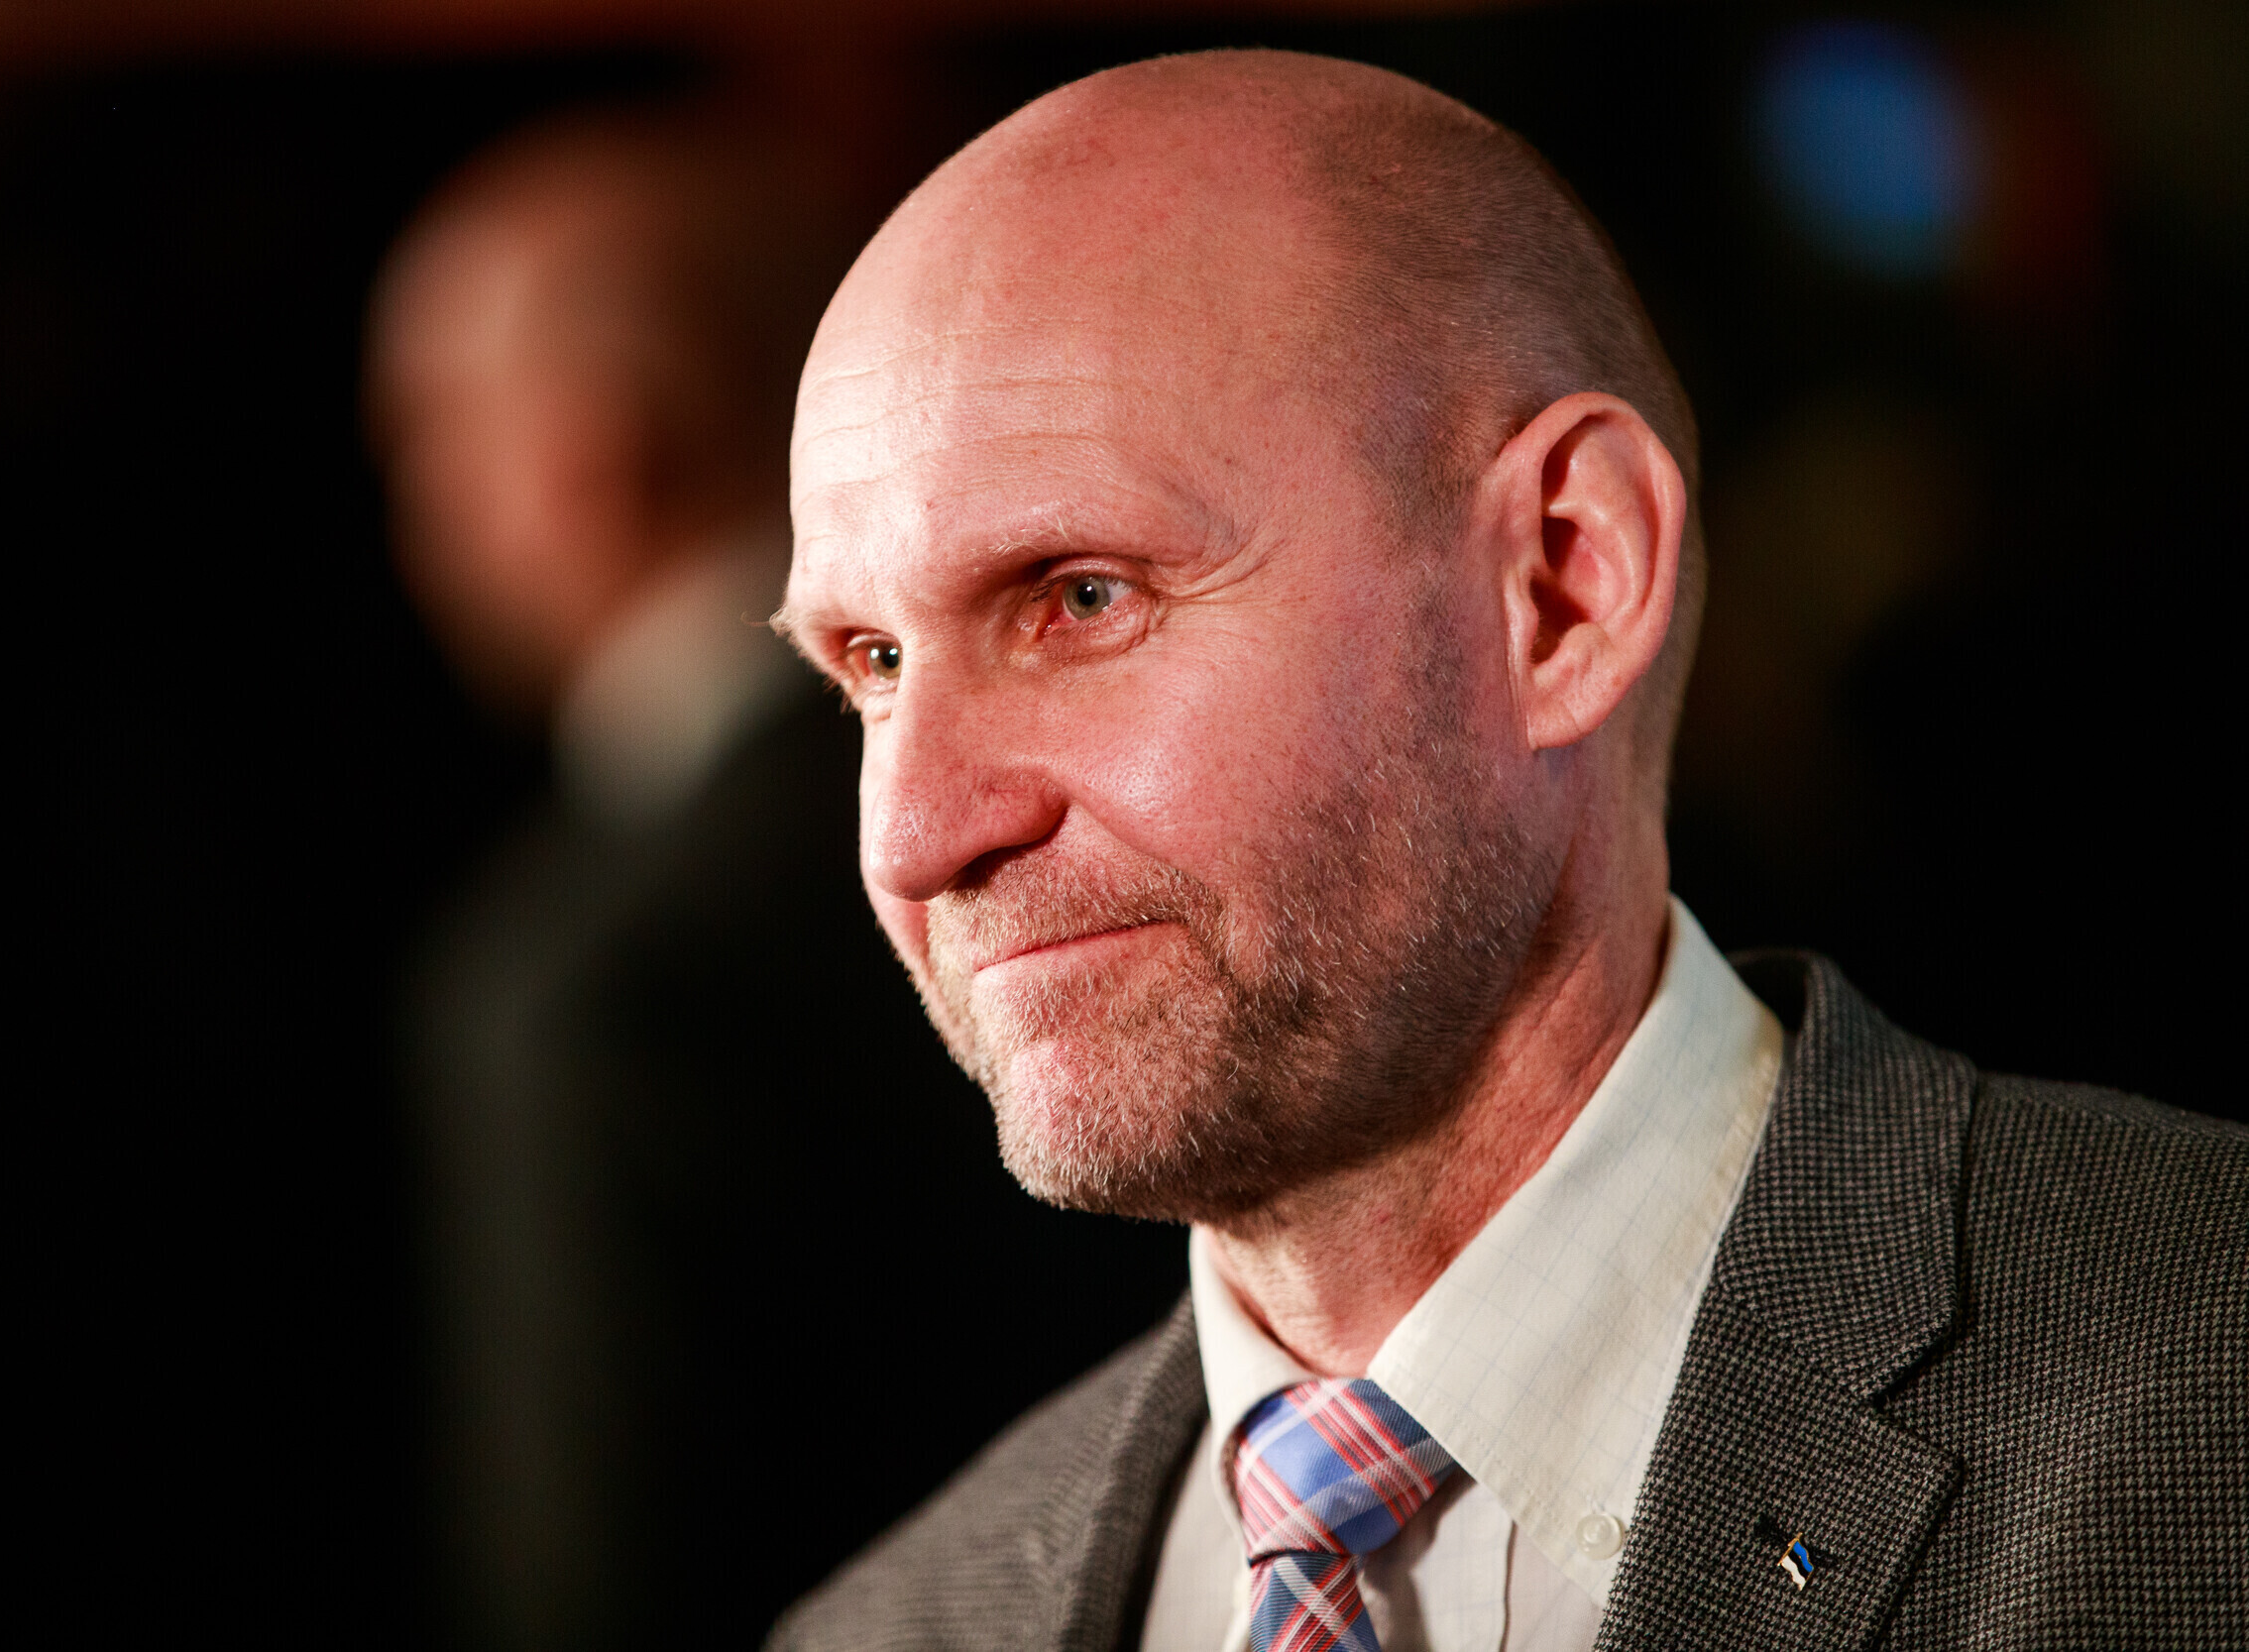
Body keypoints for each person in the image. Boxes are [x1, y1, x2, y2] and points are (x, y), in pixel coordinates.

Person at [766, 51, 2249, 1652]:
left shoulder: (2205, 1415)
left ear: (1563, 586)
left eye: (1081, 598)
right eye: (873, 664)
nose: (916, 836)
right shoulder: (886, 1630)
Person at [367, 103, 1184, 1651]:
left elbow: (596, 1590)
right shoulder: (1124, 820)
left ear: (593, 444)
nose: (416, 491)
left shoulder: (597, 989)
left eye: (438, 418)